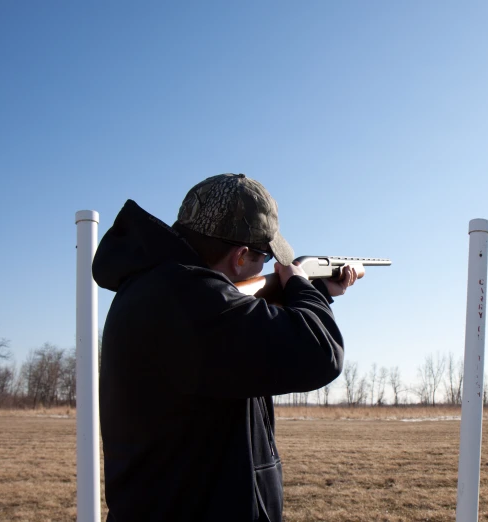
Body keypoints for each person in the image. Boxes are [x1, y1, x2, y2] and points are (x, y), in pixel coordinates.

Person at [92, 173, 358, 521]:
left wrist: (316, 292)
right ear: (240, 256)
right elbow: (321, 352)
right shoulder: (194, 301)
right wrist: (300, 286)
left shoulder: (159, 289)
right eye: (264, 257)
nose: (267, 266)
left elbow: (248, 340)